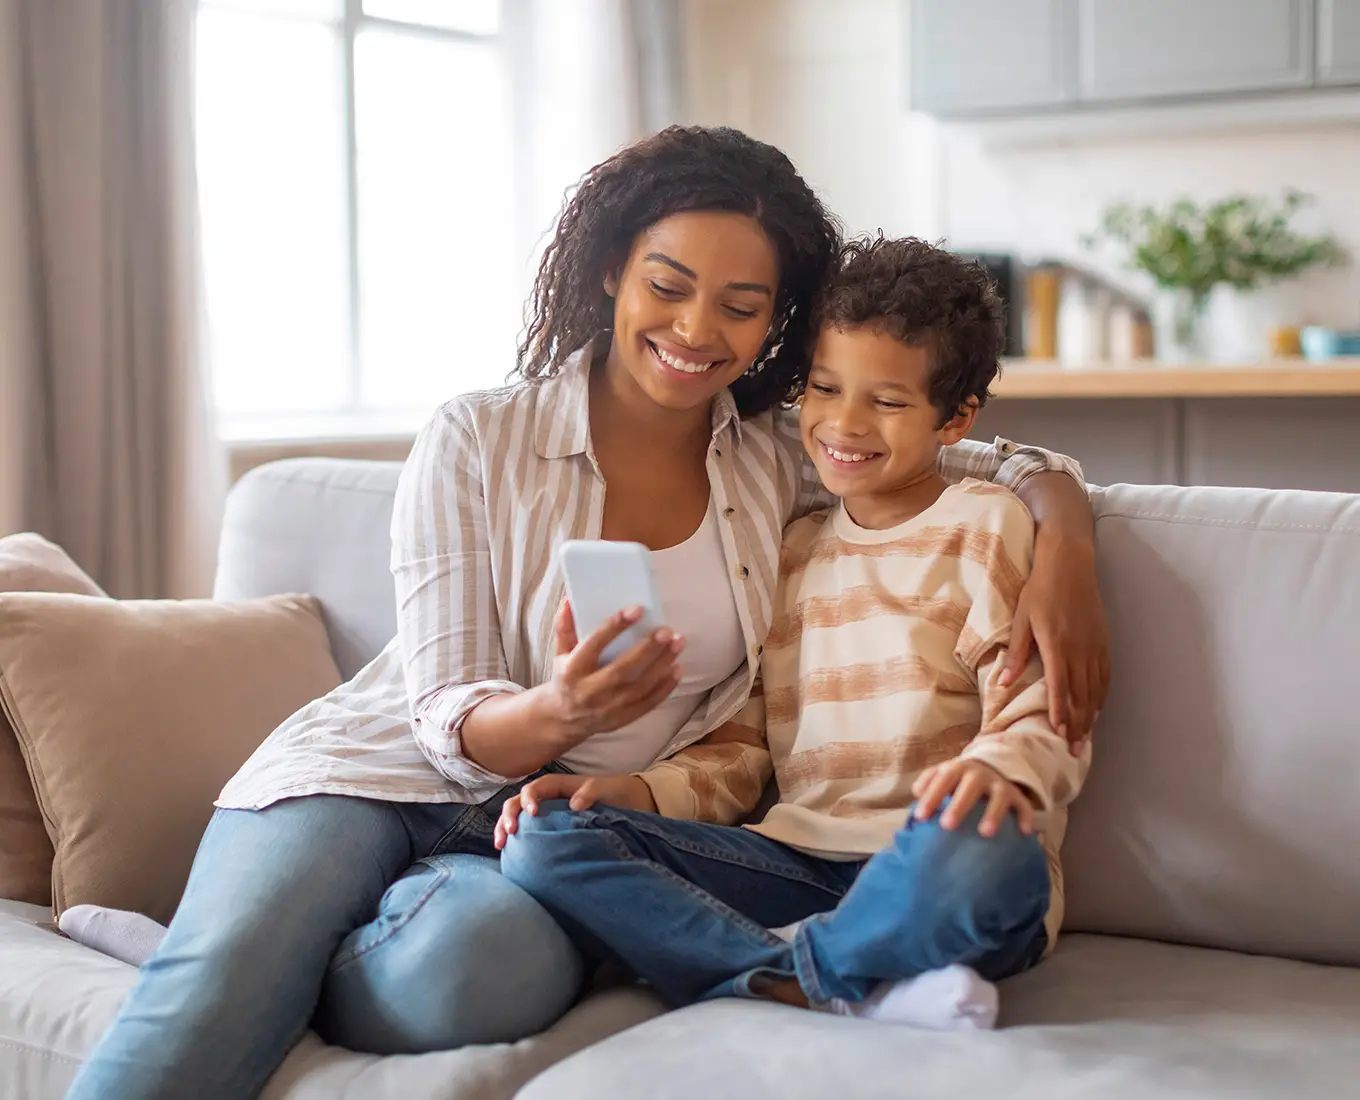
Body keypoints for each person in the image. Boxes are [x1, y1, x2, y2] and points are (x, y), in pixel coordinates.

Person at [65, 129, 1106, 1100]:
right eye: (667, 284)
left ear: (774, 320)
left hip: (549, 823)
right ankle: (229, 950)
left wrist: (1061, 538)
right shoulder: (477, 435)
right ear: (611, 268)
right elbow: (441, 706)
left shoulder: (775, 457)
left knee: (478, 978)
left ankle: (233, 951)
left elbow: (962, 448)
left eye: (741, 304)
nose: (698, 329)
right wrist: (555, 712)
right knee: (226, 975)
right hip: (379, 775)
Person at [495, 236, 1091, 1028]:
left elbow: (1043, 704)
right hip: (798, 864)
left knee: (987, 855)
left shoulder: (986, 526)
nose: (844, 423)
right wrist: (641, 791)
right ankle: (849, 976)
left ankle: (793, 973)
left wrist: (1004, 774)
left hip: (933, 855)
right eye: (824, 387)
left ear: (956, 420)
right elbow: (747, 747)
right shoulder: (792, 544)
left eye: (886, 401)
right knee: (547, 840)